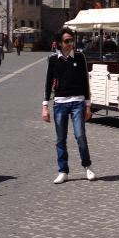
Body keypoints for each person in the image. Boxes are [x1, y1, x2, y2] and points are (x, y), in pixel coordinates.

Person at [41, 27, 95, 184]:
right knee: (60, 139)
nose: (70, 43)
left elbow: (85, 81)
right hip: (60, 103)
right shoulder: (52, 59)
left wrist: (88, 105)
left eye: (72, 40)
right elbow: (48, 83)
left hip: (78, 102)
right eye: (67, 41)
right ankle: (63, 170)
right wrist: (45, 105)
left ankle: (87, 166)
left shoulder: (79, 57)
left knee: (80, 135)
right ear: (59, 43)